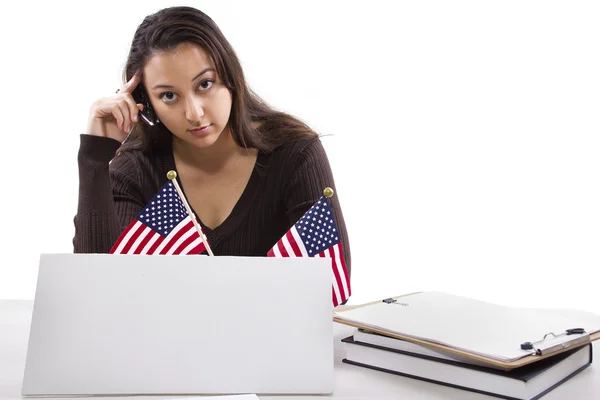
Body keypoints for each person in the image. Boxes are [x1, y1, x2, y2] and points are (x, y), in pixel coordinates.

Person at [73, 6, 351, 277]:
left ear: (230, 76)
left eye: (204, 84)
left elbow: (324, 286)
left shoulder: (295, 154)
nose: (194, 113)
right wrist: (95, 159)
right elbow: (97, 286)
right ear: (144, 102)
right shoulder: (137, 168)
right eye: (169, 96)